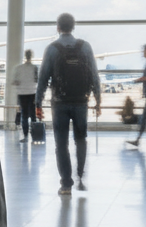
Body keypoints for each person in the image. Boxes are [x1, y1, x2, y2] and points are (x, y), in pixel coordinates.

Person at [35, 13, 102, 195]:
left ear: (58, 27)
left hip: (60, 102)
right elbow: (94, 75)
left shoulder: (52, 49)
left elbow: (43, 79)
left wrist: (38, 103)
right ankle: (80, 175)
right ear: (73, 27)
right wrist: (98, 99)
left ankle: (66, 184)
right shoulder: (85, 47)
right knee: (81, 140)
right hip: (81, 101)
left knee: (61, 143)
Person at [11, 49, 39, 142]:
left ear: (25, 56)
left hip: (22, 93)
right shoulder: (34, 68)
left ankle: (26, 136)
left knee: (24, 115)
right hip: (32, 92)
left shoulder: (18, 68)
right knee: (33, 115)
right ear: (32, 56)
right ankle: (35, 136)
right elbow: (37, 80)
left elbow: (14, 81)